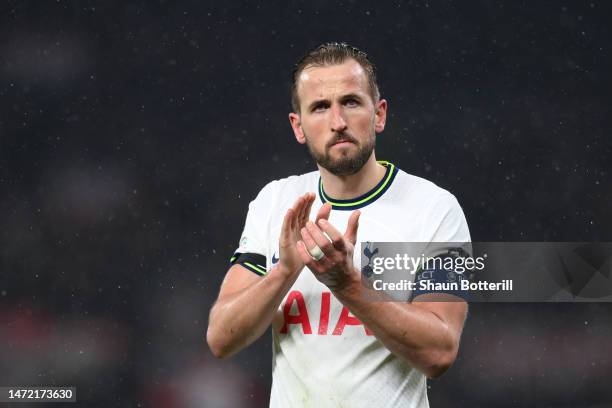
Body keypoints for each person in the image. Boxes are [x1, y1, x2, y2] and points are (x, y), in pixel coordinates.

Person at [207, 42, 471, 407]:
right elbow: (222, 337)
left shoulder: (434, 209)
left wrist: (348, 285)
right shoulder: (274, 203)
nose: (338, 122)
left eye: (350, 102)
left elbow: (440, 352)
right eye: (320, 107)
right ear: (298, 126)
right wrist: (284, 270)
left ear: (379, 114)